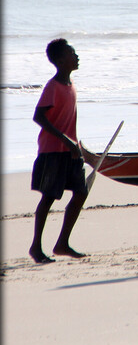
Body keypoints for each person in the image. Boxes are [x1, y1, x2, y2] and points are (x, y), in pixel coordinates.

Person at [29, 39, 98, 264]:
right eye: (71, 53)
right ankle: (36, 247)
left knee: (81, 192)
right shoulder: (53, 86)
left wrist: (75, 144)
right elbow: (38, 116)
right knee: (49, 197)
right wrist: (65, 139)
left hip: (70, 151)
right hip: (52, 151)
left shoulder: (71, 84)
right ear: (60, 61)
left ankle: (62, 243)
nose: (76, 56)